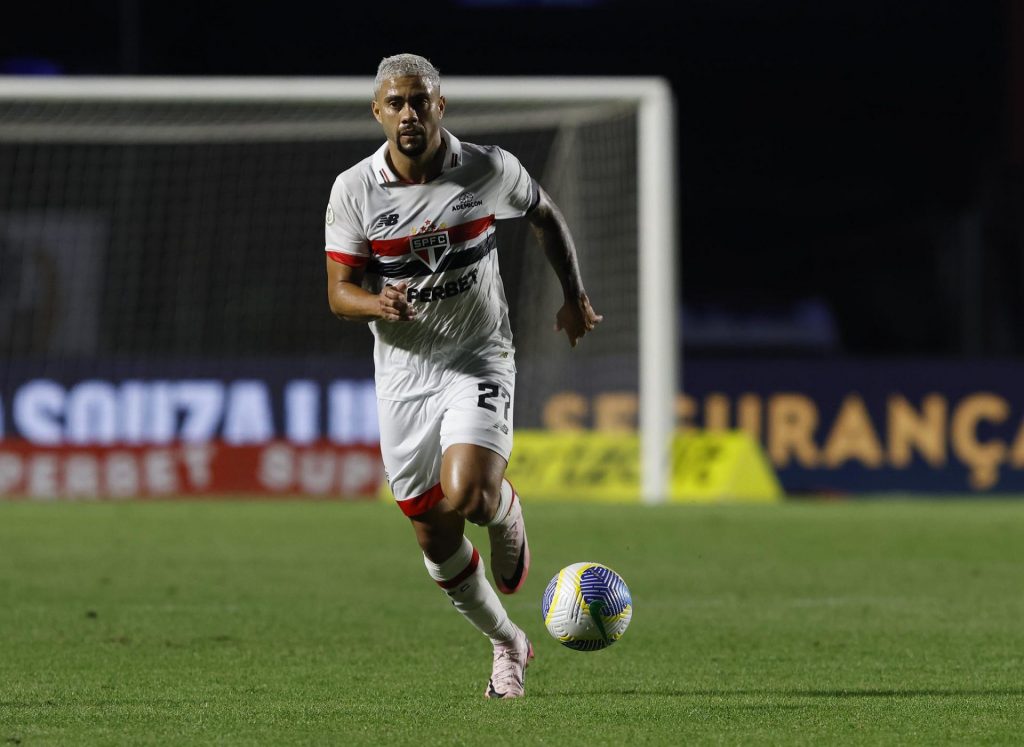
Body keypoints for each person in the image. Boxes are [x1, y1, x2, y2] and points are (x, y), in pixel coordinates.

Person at [324, 53, 602, 699]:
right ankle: (509, 643)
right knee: (433, 532)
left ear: (440, 105)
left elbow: (545, 215)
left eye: (420, 100)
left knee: (471, 495)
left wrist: (574, 295)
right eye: (396, 103)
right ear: (378, 112)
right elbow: (339, 293)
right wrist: (376, 302)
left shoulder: (487, 167)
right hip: (403, 374)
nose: (409, 113)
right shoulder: (355, 189)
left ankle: (503, 508)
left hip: (478, 354)